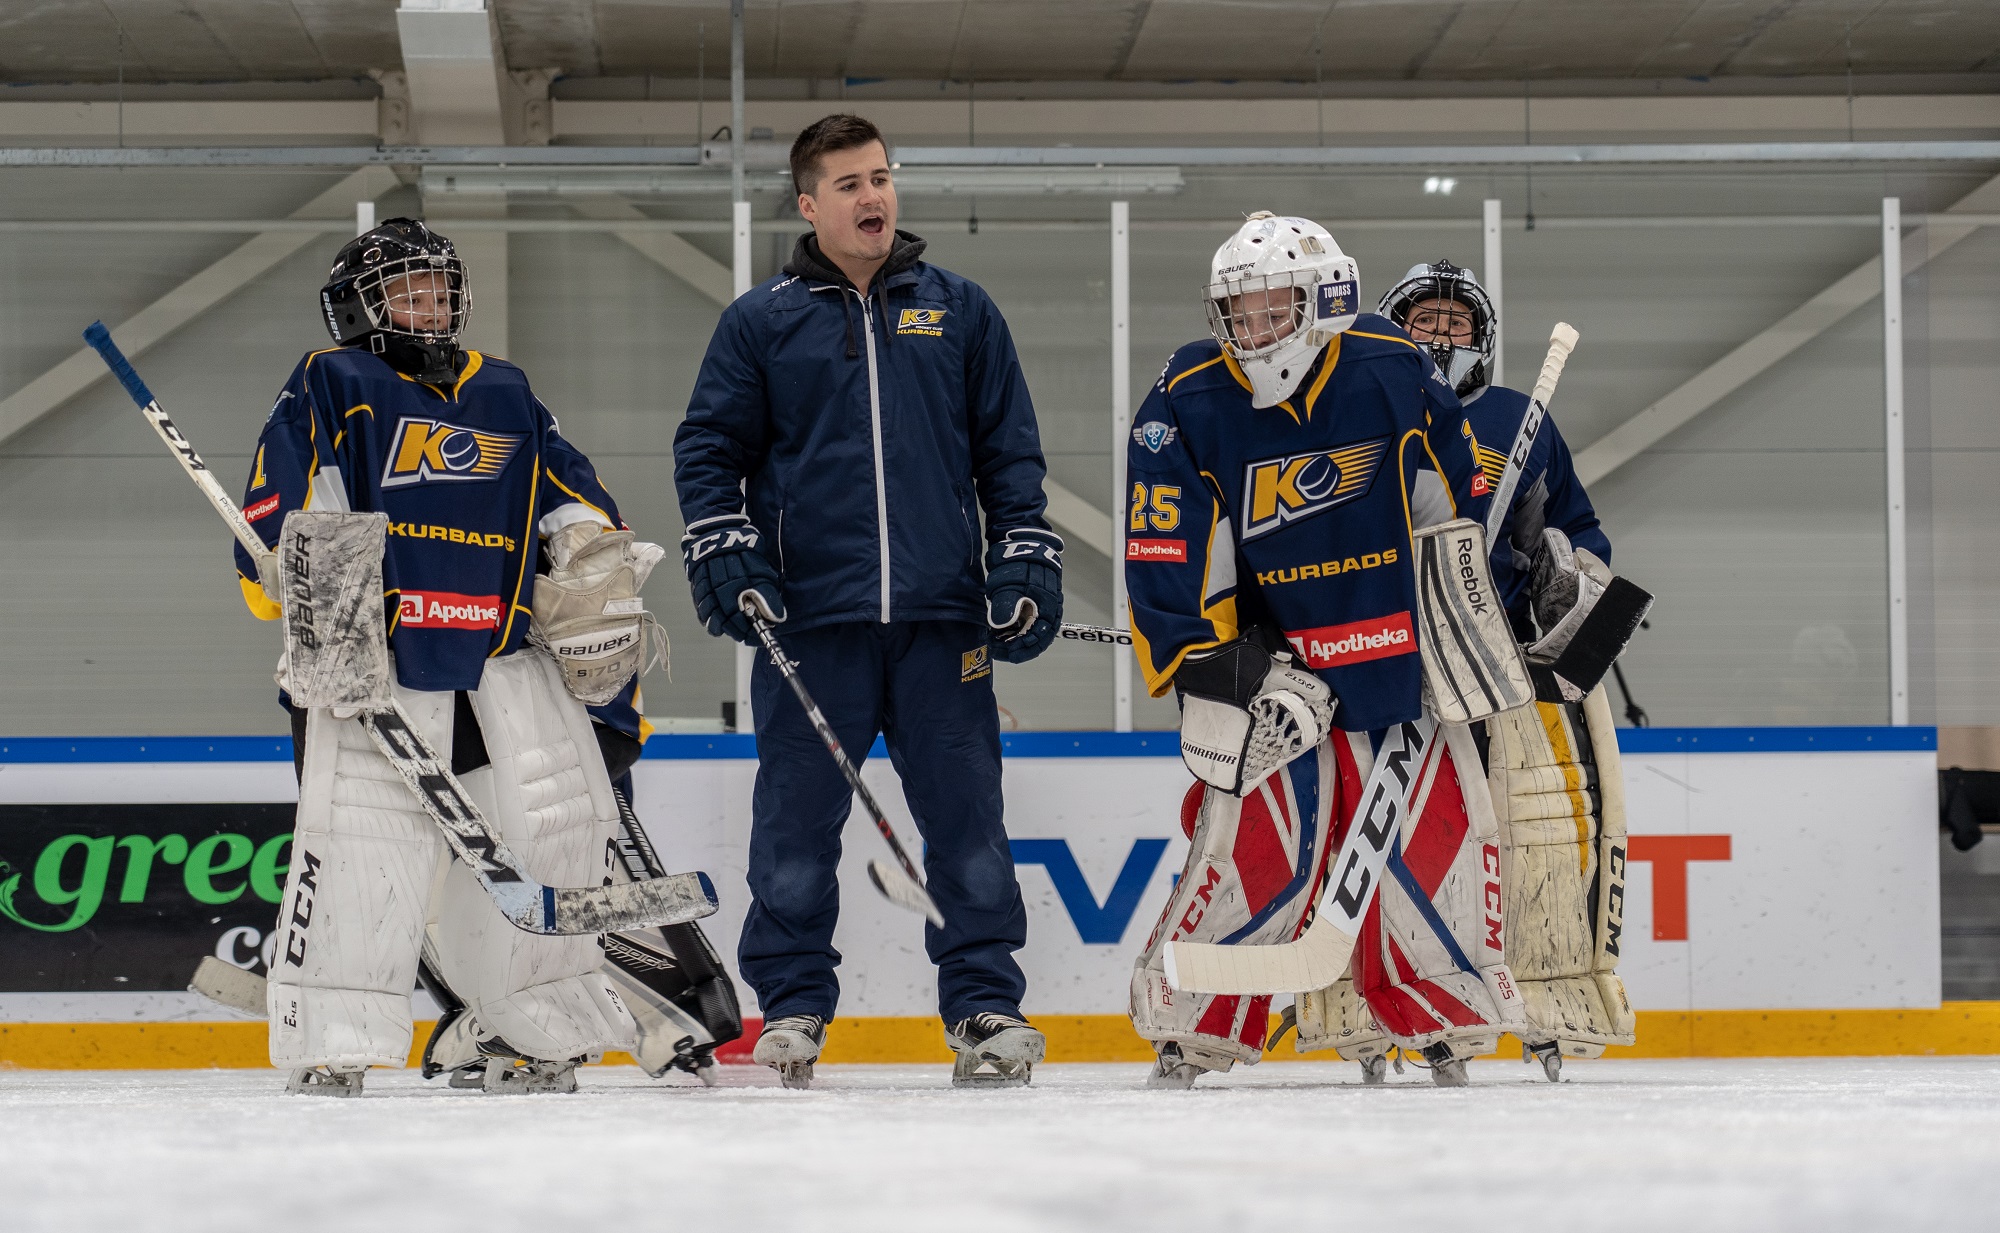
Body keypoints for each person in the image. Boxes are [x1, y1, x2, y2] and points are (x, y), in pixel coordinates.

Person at [234, 218, 669, 1095]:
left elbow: (575, 493)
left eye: (437, 287)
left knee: (550, 838)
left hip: (502, 661)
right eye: (405, 289)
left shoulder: (506, 391)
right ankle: (334, 1041)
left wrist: (592, 559)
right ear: (359, 306)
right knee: (361, 846)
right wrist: (290, 559)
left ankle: (534, 1031)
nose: (428, 305)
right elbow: (287, 498)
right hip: (378, 661)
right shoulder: (334, 378)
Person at [674, 113, 1061, 1088]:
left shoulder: (959, 312)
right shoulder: (760, 321)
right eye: (848, 183)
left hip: (940, 622)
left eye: (881, 176)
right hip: (812, 622)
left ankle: (982, 1002)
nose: (872, 195)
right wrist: (726, 550)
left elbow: (1007, 456)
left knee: (968, 826)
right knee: (794, 832)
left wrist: (1021, 551)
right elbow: (708, 454)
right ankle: (794, 1005)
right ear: (809, 205)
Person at [1122, 212, 1527, 1088]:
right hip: (1278, 674)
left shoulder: (1389, 365)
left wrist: (1459, 607)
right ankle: (1196, 1021)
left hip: (1392, 656)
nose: (1253, 330)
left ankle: (1443, 1013)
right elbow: (1162, 538)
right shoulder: (1187, 393)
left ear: (1324, 298)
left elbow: (1448, 502)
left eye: (1273, 308)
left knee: (1435, 837)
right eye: (1239, 311)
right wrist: (1204, 654)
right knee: (1254, 842)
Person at [1376, 261, 1609, 638]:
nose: (1441, 338)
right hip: (1376, 642)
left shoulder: (1517, 420)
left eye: (1456, 325)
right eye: (1426, 321)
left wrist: (1581, 595)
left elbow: (1569, 526)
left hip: (1499, 649)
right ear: (1396, 326)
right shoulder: (1359, 412)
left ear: (1479, 338)